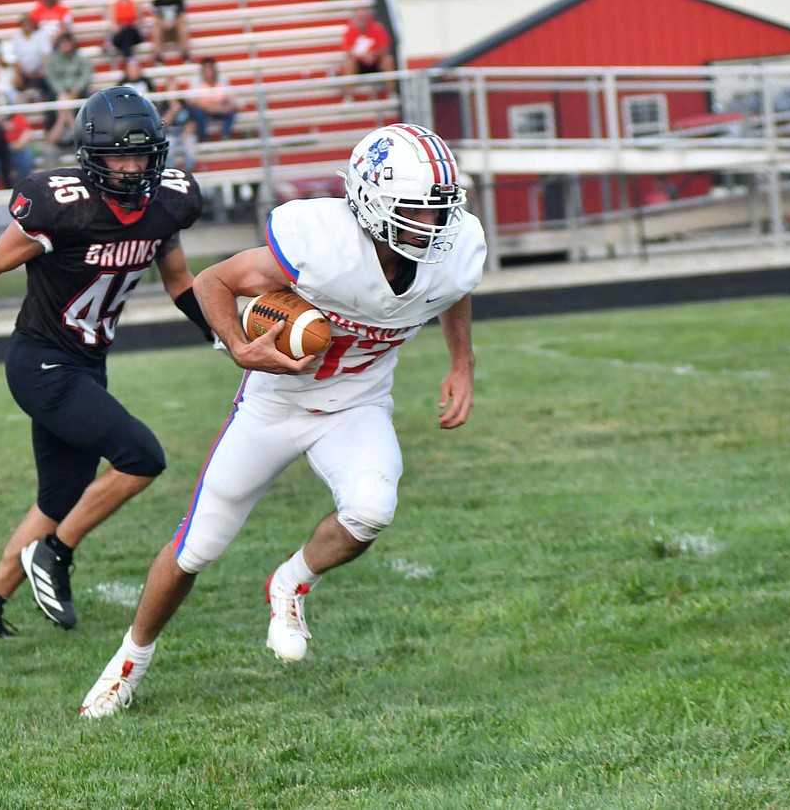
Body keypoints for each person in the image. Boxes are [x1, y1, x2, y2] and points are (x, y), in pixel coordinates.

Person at [79, 123, 486, 718]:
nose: (435, 227)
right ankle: (129, 661)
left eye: (441, 211)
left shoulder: (452, 249)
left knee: (372, 509)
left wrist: (462, 361)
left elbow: (450, 290)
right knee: (196, 548)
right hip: (274, 404)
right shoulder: (321, 241)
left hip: (357, 405)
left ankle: (291, 581)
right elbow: (214, 280)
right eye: (418, 212)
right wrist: (241, 350)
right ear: (371, 203)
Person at [0, 86, 211, 640]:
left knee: (59, 497)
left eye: (142, 154)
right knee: (141, 457)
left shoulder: (166, 203)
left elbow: (180, 282)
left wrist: (227, 338)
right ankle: (56, 555)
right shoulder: (61, 205)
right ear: (92, 156)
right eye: (120, 154)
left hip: (88, 362)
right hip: (41, 361)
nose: (133, 166)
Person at [44, 32, 93, 144]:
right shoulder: (53, 60)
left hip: (79, 92)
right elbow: (52, 78)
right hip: (59, 93)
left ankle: (64, 120)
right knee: (61, 98)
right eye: (63, 43)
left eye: (67, 43)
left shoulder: (82, 58)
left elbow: (86, 76)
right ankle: (72, 125)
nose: (65, 46)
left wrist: (76, 89)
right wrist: (62, 92)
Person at [341, 7, 396, 99]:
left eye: (364, 17)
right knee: (349, 63)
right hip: (359, 65)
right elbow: (348, 51)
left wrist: (372, 55)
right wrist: (363, 57)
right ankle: (349, 96)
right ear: (355, 19)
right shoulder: (350, 31)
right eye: (359, 18)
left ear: (369, 18)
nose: (362, 20)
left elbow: (385, 47)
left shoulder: (377, 29)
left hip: (376, 63)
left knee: (388, 60)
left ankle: (392, 93)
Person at [188, 56, 236, 142]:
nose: (208, 70)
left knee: (231, 111)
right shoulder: (196, 80)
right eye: (206, 68)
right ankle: (204, 137)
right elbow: (193, 101)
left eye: (210, 67)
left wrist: (225, 107)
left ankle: (225, 135)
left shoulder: (222, 79)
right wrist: (211, 108)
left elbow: (230, 99)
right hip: (205, 111)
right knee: (197, 112)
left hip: (220, 109)